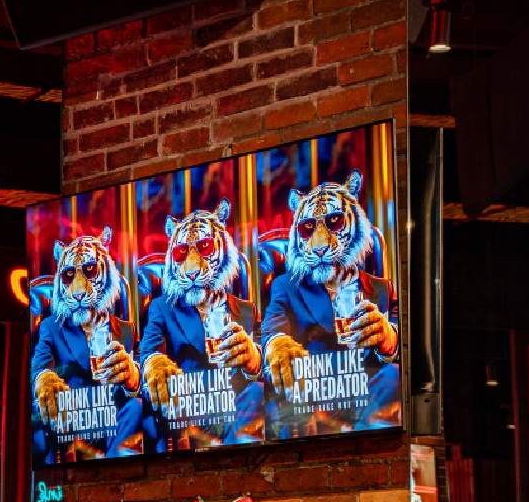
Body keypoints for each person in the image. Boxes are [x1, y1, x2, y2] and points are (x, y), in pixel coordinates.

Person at [260, 172, 401, 433]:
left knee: (393, 376)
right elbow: (271, 332)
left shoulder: (381, 289)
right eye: (308, 228)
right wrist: (277, 345)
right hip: (310, 402)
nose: (320, 243)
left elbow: (406, 349)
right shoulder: (286, 287)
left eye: (334, 221)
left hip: (366, 400)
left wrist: (387, 337)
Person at [134, 201, 266, 447]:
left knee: (257, 392)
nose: (192, 267)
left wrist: (253, 359)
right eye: (182, 252)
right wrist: (154, 363)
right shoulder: (162, 308)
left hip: (233, 411)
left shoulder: (245, 309)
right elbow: (146, 356)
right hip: (186, 412)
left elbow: (269, 370)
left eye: (204, 247)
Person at [27, 229, 153, 460]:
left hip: (114, 423)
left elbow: (147, 383)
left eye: (90, 270)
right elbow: (38, 368)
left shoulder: (125, 329)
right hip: (71, 423)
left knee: (137, 407)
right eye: (68, 276)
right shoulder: (51, 328)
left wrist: (133, 376)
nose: (77, 291)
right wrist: (44, 379)